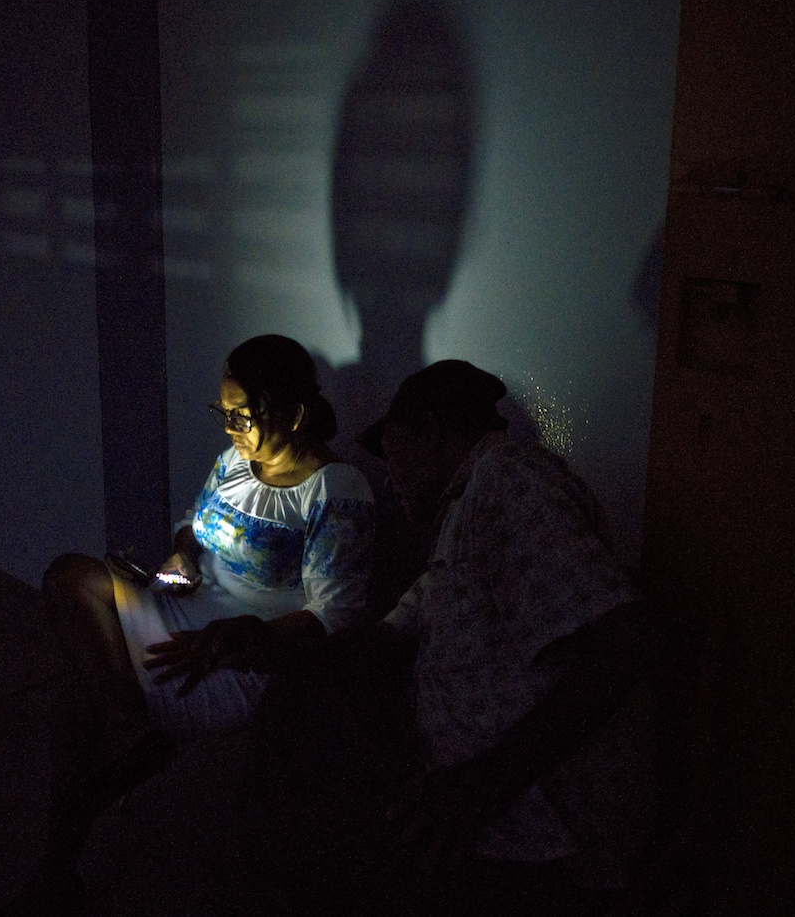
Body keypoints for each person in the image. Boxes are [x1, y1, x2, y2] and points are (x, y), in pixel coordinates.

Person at [241, 359, 657, 916]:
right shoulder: (457, 529)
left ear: (432, 435)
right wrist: (272, 640)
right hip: (478, 804)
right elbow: (386, 639)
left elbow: (621, 645)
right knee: (298, 717)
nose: (388, 477)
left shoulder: (508, 480)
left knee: (305, 849)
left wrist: (480, 786)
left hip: (537, 828)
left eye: (393, 453)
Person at [12, 334, 375, 914]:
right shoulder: (236, 461)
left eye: (241, 415)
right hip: (183, 605)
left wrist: (252, 636)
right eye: (222, 412)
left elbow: (338, 614)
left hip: (238, 648)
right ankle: (126, 717)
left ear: (293, 414)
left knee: (72, 711)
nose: (229, 427)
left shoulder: (336, 490)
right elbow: (195, 526)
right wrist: (183, 552)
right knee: (70, 577)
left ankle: (58, 867)